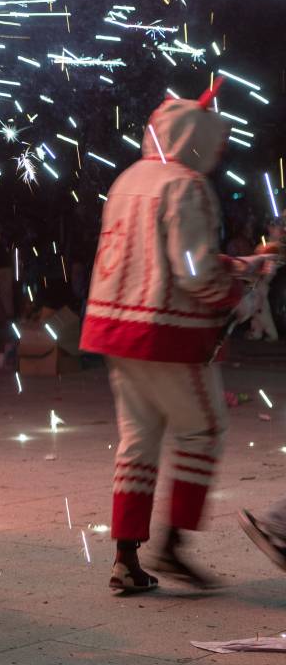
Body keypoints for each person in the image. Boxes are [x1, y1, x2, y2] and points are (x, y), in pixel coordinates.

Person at [80, 86, 276, 593]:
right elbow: (194, 272)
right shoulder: (186, 186)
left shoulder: (129, 179)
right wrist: (247, 271)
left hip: (115, 330)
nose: (217, 154)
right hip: (167, 334)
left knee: (138, 442)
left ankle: (126, 558)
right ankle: (171, 546)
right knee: (202, 431)